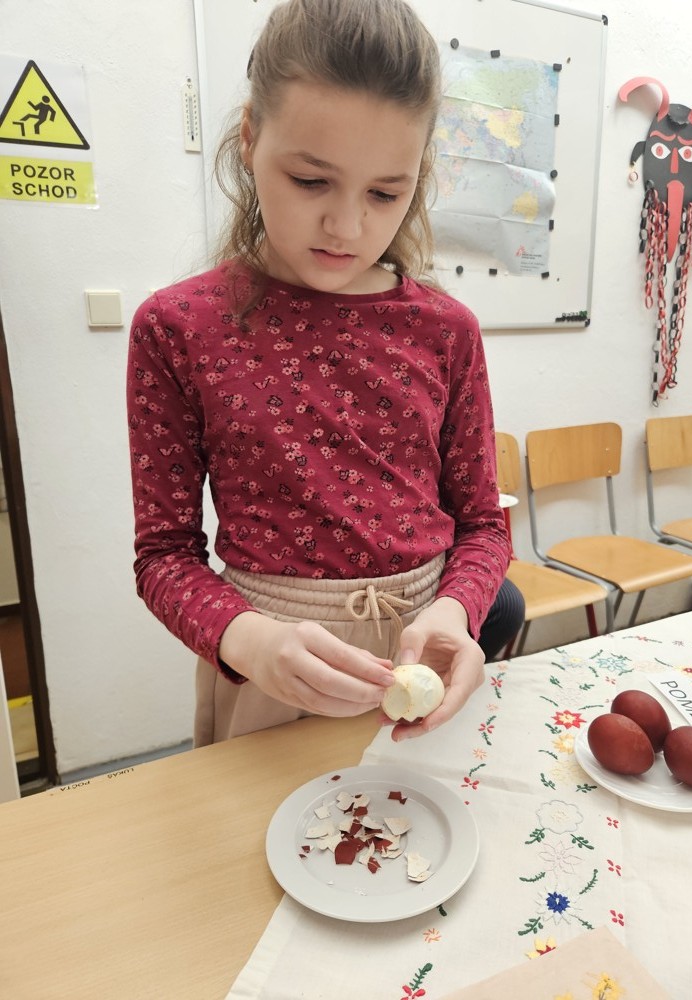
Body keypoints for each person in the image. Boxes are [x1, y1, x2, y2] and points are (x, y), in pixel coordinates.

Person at [126, 0, 524, 747]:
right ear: (250, 137)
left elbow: (480, 526)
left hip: (423, 664)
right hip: (268, 676)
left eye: (385, 193)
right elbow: (164, 557)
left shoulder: (447, 331)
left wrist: (456, 610)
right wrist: (247, 640)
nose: (347, 227)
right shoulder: (178, 327)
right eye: (311, 180)